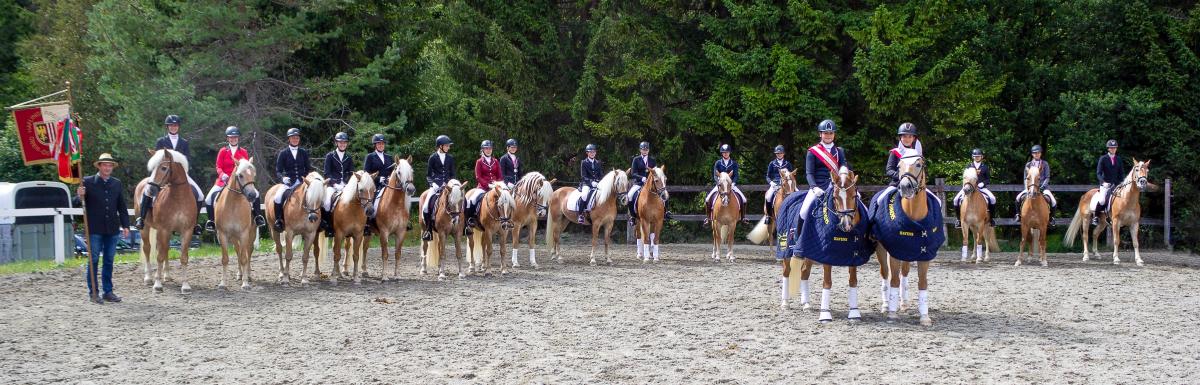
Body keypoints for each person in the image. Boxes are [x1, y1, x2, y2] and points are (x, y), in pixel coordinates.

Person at [74, 153, 130, 304]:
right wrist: (79, 196)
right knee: (93, 260)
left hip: (112, 228)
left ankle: (108, 291)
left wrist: (125, 225)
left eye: (110, 165)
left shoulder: (116, 183)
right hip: (94, 228)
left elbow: (121, 206)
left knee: (109, 260)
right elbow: (75, 203)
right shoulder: (87, 181)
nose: (107, 167)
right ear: (99, 166)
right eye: (105, 165)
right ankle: (93, 292)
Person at [135, 114, 203, 235]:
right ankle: (142, 218)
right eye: (171, 125)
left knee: (200, 195)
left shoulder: (184, 142)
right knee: (147, 190)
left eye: (175, 125)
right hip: (163, 172)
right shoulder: (161, 141)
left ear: (178, 127)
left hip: (180, 174)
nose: (173, 127)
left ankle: (194, 223)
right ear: (167, 127)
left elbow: (187, 159)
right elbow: (157, 157)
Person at [203, 126, 266, 231]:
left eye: (235, 137)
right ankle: (211, 222)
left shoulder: (243, 152)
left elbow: (245, 168)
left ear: (238, 138)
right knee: (209, 198)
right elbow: (218, 166)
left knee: (256, 194)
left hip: (240, 182)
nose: (233, 139)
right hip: (223, 180)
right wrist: (222, 174)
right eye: (231, 137)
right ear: (228, 139)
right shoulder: (223, 151)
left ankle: (258, 217)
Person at [800, 119, 852, 221]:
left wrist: (843, 170)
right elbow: (809, 173)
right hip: (819, 187)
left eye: (831, 133)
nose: (828, 135)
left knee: (858, 201)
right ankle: (798, 234)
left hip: (837, 186)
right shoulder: (813, 151)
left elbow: (843, 165)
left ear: (834, 134)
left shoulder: (839, 151)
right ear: (820, 134)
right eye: (825, 133)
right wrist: (814, 187)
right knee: (804, 211)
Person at [273, 128, 312, 232]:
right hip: (288, 183)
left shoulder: (303, 152)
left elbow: (308, 168)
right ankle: (279, 220)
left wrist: (305, 179)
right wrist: (283, 178)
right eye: (293, 138)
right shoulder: (283, 153)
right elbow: (278, 170)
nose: (295, 139)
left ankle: (317, 220)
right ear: (289, 139)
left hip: (302, 182)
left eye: (297, 138)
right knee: (277, 197)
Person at [876, 122, 923, 206]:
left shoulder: (917, 153)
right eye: (904, 136)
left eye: (910, 136)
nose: (907, 139)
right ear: (900, 138)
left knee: (937, 201)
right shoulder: (895, 152)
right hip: (896, 184)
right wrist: (902, 176)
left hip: (916, 185)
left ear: (914, 138)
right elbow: (889, 170)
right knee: (879, 200)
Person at [626, 141, 672, 225]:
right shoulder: (636, 160)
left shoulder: (652, 160)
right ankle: (633, 217)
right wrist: (642, 178)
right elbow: (633, 173)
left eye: (646, 149)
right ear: (640, 150)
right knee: (629, 196)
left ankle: (666, 212)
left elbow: (655, 172)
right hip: (639, 183)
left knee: (663, 193)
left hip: (651, 184)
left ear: (648, 150)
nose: (645, 151)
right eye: (643, 149)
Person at [421, 135, 456, 241]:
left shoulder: (450, 158)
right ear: (440, 146)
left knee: (461, 201)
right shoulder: (433, 157)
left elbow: (453, 174)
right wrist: (433, 184)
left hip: (449, 187)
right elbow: (428, 175)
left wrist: (451, 184)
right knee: (426, 206)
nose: (448, 148)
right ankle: (428, 230)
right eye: (446, 146)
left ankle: (464, 226)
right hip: (435, 186)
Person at [704, 144, 747, 225]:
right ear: (722, 153)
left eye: (727, 152)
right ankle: (708, 218)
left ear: (729, 153)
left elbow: (736, 175)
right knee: (707, 199)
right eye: (724, 152)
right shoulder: (718, 163)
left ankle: (743, 218)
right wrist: (718, 183)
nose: (725, 154)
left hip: (730, 185)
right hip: (720, 186)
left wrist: (733, 183)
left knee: (744, 199)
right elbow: (715, 175)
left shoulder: (733, 163)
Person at [321, 132, 354, 237]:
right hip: (332, 186)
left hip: (346, 186)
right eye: (340, 142)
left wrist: (347, 184)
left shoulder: (349, 157)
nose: (342, 144)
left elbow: (351, 172)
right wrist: (334, 184)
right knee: (326, 202)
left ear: (347, 144)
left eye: (344, 142)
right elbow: (327, 173)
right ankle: (328, 226)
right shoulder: (330, 156)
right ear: (336, 143)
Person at [953, 148, 997, 226]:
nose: (977, 158)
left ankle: (991, 219)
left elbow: (988, 179)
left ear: (982, 157)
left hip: (981, 188)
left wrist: (983, 184)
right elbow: (965, 177)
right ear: (973, 157)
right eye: (975, 156)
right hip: (969, 188)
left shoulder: (985, 167)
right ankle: (958, 220)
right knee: (956, 199)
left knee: (993, 198)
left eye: (978, 156)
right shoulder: (968, 166)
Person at [1015, 145, 1057, 223]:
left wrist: (1042, 187)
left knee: (1053, 201)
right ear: (1032, 154)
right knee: (1018, 198)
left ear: (1040, 153)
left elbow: (1047, 177)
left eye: (1038, 153)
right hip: (1030, 187)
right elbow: (1025, 178)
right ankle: (1018, 215)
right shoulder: (1028, 165)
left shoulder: (1045, 164)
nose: (1036, 154)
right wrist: (1027, 188)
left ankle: (1052, 218)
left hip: (1042, 187)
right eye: (1034, 153)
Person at [362, 133, 395, 235]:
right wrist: (378, 178)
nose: (381, 145)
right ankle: (367, 224)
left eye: (382, 143)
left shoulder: (389, 157)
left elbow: (393, 172)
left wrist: (390, 178)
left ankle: (403, 221)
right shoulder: (370, 157)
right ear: (375, 145)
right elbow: (366, 174)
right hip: (375, 186)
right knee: (370, 202)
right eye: (379, 144)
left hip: (388, 185)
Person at [1092, 139, 1125, 226]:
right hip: (1105, 184)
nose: (1113, 149)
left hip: (1116, 184)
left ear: (1116, 149)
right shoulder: (1103, 158)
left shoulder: (1119, 159)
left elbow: (1121, 173)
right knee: (1102, 200)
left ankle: (1115, 216)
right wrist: (1103, 182)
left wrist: (1122, 182)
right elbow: (1098, 173)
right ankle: (1096, 216)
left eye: (1114, 148)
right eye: (1111, 148)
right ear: (1108, 149)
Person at [763, 145, 794, 224]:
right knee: (768, 196)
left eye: (780, 153)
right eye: (777, 153)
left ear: (783, 154)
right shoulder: (772, 164)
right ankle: (768, 216)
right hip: (775, 183)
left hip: (787, 184)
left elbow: (791, 175)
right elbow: (767, 176)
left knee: (797, 192)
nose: (779, 154)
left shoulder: (788, 164)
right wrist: (771, 182)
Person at [577, 144, 603, 224]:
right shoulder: (584, 162)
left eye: (594, 152)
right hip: (586, 184)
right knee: (584, 195)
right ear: (587, 153)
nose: (592, 153)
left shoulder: (598, 162)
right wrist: (592, 182)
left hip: (597, 184)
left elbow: (601, 174)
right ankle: (580, 214)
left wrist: (600, 181)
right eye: (590, 152)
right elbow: (583, 176)